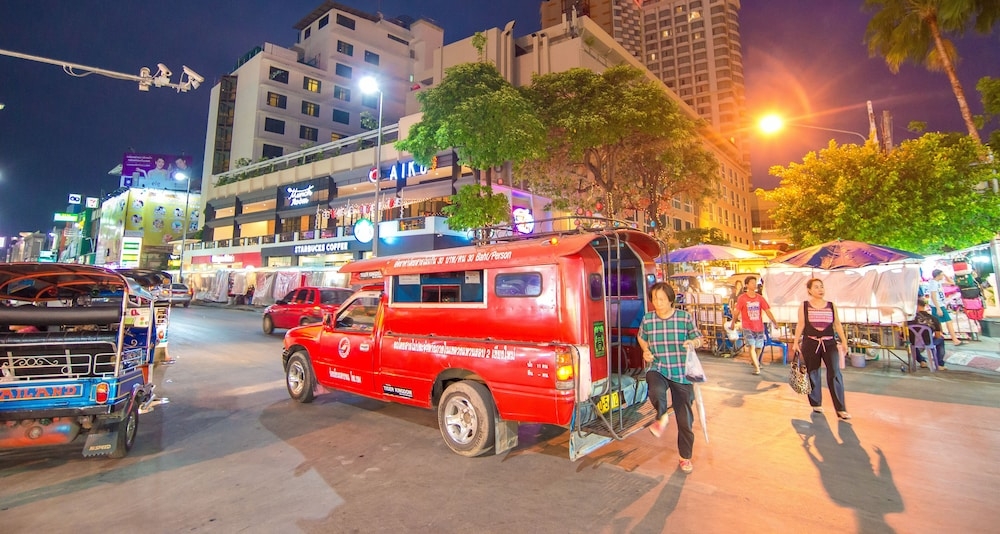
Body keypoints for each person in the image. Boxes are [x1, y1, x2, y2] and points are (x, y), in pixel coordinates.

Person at [637, 282, 703, 474]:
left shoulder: (684, 317)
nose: (657, 303)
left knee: (685, 421)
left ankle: (685, 457)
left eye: (661, 299)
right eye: (654, 299)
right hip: (659, 367)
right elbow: (641, 337)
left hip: (682, 373)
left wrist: (693, 342)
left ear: (670, 300)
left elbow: (699, 338)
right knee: (655, 388)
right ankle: (662, 416)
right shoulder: (648, 319)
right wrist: (646, 351)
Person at [790, 278, 851, 420]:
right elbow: (800, 325)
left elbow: (837, 324)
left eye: (821, 287)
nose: (820, 289)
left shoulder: (831, 305)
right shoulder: (804, 306)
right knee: (813, 372)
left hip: (829, 343)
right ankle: (816, 403)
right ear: (809, 290)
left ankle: (841, 409)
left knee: (835, 372)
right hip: (810, 343)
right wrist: (795, 342)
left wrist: (844, 341)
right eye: (816, 287)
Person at [728, 275, 777, 375]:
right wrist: (733, 322)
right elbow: (736, 312)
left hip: (759, 326)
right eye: (752, 283)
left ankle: (755, 361)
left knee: (759, 347)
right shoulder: (742, 298)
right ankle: (756, 367)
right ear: (746, 285)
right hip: (747, 326)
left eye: (755, 283)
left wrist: (774, 322)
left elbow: (767, 311)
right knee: (752, 346)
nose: (754, 285)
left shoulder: (760, 298)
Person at [908, 299, 946, 370]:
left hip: (914, 341)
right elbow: (937, 335)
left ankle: (922, 361)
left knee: (912, 343)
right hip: (928, 341)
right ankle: (940, 364)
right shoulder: (934, 319)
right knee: (941, 339)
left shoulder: (910, 319)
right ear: (924, 306)